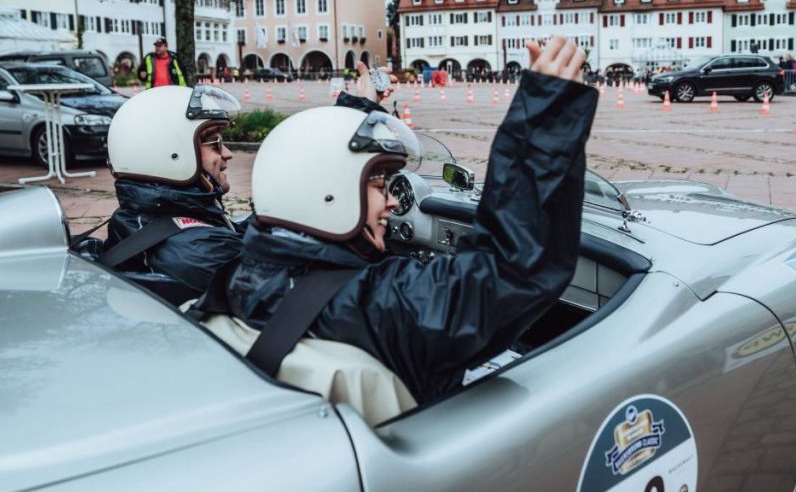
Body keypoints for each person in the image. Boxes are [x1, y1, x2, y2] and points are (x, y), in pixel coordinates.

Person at [194, 36, 595, 423]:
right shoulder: (384, 305)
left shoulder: (230, 274)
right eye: (377, 183)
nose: (391, 201)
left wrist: (352, 116)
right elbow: (508, 272)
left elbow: (306, 170)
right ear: (328, 192)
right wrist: (546, 120)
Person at [101, 85, 243, 303]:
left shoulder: (135, 218)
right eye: (215, 143)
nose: (227, 154)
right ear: (171, 153)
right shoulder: (206, 252)